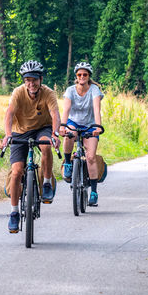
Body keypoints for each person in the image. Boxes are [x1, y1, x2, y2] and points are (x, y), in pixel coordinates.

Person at [0, 60, 61, 233]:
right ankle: (14, 213)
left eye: (34, 79)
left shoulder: (48, 93)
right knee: (17, 171)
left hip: (43, 128)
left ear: (40, 79)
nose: (31, 83)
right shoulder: (18, 92)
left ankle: (47, 183)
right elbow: (9, 114)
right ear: (24, 81)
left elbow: (55, 114)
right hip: (20, 131)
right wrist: (8, 134)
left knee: (46, 147)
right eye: (27, 80)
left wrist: (55, 133)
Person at [59, 61, 104, 206]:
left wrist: (98, 126)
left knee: (90, 157)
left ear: (89, 76)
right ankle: (67, 163)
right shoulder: (70, 90)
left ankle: (94, 192)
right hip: (73, 122)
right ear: (76, 76)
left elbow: (97, 109)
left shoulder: (94, 90)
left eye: (85, 74)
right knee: (68, 135)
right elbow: (66, 110)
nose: (82, 77)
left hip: (90, 125)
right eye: (79, 74)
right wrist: (62, 126)